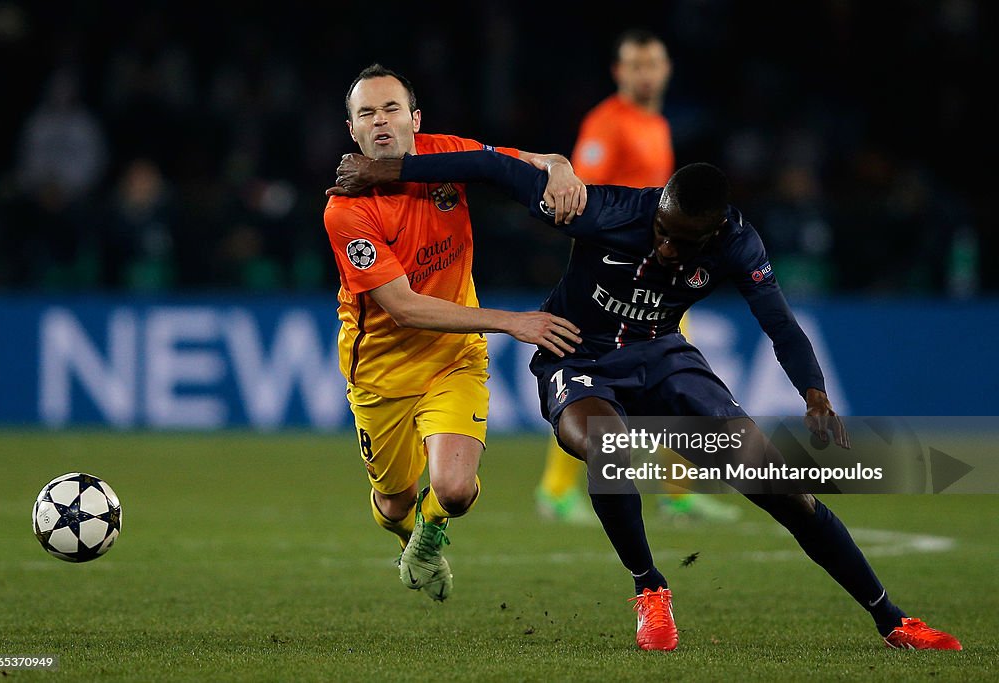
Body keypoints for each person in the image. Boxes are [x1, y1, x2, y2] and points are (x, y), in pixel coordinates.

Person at [326, 149, 961, 652]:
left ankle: (892, 620)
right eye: (661, 230)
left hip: (663, 359)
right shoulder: (602, 210)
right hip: (578, 355)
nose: (663, 247)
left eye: (680, 243)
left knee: (781, 487)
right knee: (610, 446)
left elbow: (780, 322)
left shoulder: (740, 245)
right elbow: (491, 168)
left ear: (712, 234)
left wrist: (815, 394)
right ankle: (649, 589)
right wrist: (386, 171)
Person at [322, 64, 583, 602]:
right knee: (393, 505)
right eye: (366, 113)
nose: (381, 121)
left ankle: (429, 536)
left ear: (415, 119)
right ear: (353, 131)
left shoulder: (448, 155)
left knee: (455, 490)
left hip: (454, 358)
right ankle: (412, 534)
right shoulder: (346, 211)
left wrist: (557, 167)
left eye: (391, 108)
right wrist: (511, 322)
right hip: (382, 373)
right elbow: (403, 308)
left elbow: (525, 163)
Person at [536, 28, 739, 525]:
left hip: (658, 278)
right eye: (635, 65)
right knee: (591, 384)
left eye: (653, 64)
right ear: (619, 72)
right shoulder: (606, 125)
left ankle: (676, 492)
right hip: (617, 284)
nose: (645, 74)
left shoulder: (656, 125)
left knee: (670, 381)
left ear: (666, 70)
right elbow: (580, 198)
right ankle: (556, 491)